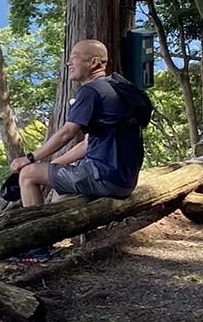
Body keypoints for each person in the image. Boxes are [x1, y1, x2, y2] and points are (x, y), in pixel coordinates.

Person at [9, 39, 149, 209]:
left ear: (94, 62)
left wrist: (29, 159)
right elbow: (87, 144)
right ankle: (57, 234)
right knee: (60, 197)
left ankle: (34, 231)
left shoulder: (91, 90)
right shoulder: (115, 87)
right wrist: (52, 165)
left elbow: (67, 133)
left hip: (104, 176)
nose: (69, 63)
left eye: (74, 57)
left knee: (27, 174)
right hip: (124, 180)